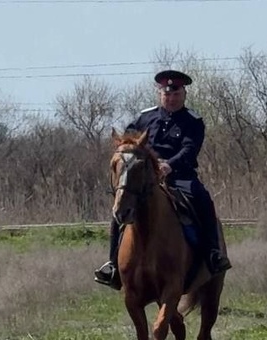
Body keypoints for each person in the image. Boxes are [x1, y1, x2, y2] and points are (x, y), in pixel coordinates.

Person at [94, 69, 232, 290]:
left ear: (183, 94)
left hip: (180, 178)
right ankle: (112, 264)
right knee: (121, 206)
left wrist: (169, 165)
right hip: (145, 178)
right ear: (160, 94)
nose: (171, 98)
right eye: (166, 94)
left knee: (203, 200)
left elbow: (189, 149)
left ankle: (213, 254)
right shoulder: (144, 118)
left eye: (176, 94)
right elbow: (128, 142)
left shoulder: (193, 121)